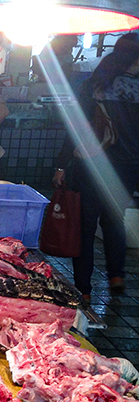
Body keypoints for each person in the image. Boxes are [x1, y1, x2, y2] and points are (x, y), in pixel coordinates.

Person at [54, 32, 139, 300]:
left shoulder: (94, 85)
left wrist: (60, 165)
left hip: (91, 166)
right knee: (115, 220)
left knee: (86, 227)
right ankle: (116, 275)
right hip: (127, 167)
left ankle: (83, 288)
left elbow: (75, 128)